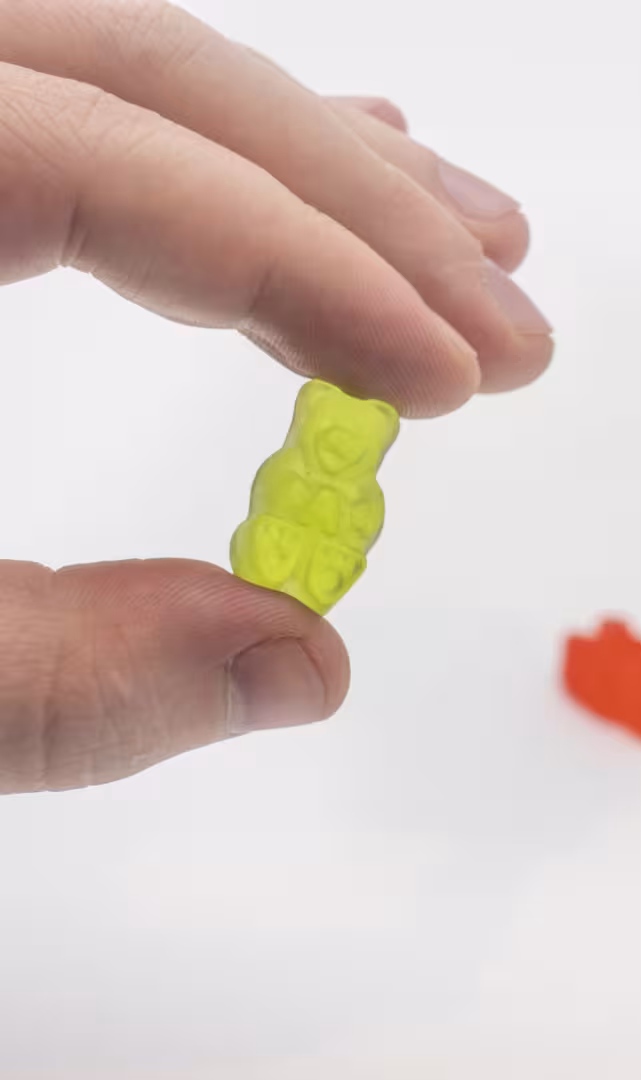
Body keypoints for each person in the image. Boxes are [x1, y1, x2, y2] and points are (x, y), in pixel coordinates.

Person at [0, 1, 553, 794]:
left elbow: (353, 528)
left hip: (313, 554)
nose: (340, 446)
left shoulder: (351, 482)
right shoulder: (304, 466)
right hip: (287, 553)